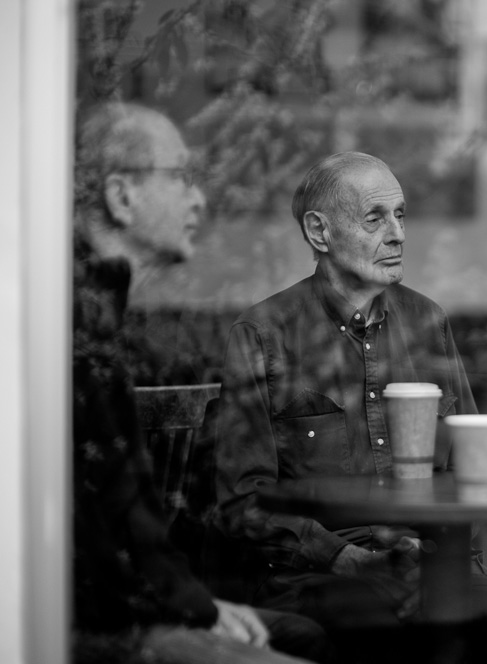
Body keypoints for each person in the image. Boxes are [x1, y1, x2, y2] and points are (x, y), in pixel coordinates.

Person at [206, 151, 487, 663]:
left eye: (401, 215)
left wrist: (445, 558)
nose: (398, 233)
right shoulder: (265, 334)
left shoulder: (427, 321)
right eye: (375, 218)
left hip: (432, 564)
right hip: (318, 570)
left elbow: (473, 464)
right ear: (319, 233)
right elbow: (243, 501)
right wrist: (347, 558)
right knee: (386, 638)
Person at [72, 101, 331, 664]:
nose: (199, 198)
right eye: (181, 176)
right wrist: (197, 609)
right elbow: (99, 537)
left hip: (135, 605)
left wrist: (195, 602)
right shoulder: (75, 326)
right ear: (121, 197)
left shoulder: (100, 313)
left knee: (303, 635)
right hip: (99, 629)